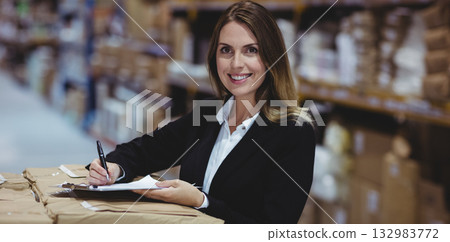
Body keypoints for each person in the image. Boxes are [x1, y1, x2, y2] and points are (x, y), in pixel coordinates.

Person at [87, 0, 316, 224]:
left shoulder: (293, 131)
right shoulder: (209, 114)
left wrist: (201, 201)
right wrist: (115, 168)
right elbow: (146, 149)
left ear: (271, 58)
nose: (236, 63)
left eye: (251, 50)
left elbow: (273, 228)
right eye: (226, 50)